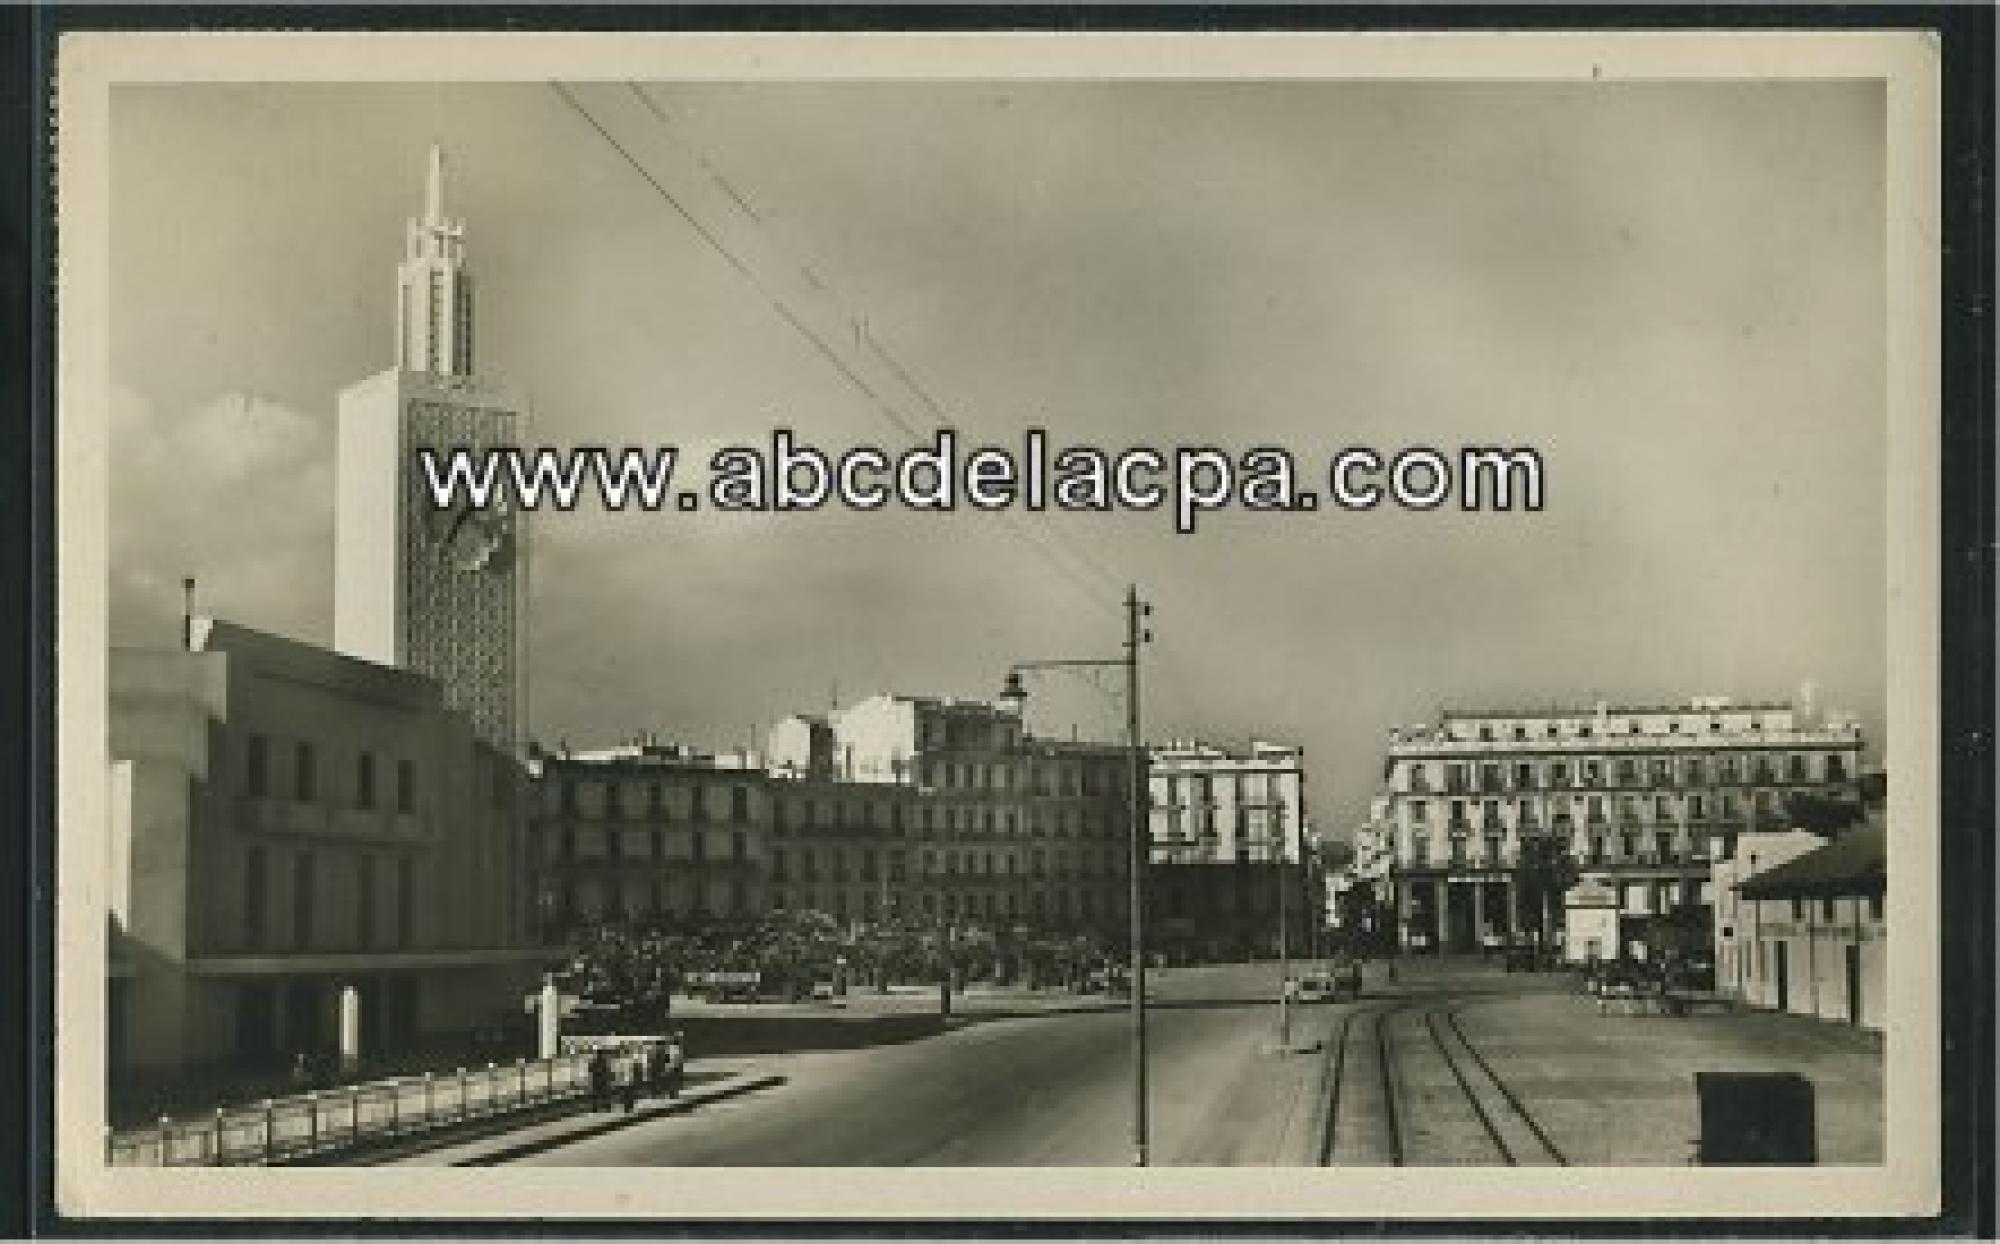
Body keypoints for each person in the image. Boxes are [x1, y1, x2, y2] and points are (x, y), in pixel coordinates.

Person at [588, 1047, 612, 1112]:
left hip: (601, 1080)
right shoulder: (599, 1062)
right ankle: (598, 1107)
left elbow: (606, 1070)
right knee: (599, 1094)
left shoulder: (603, 1062)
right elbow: (590, 1069)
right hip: (599, 1080)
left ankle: (605, 1106)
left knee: (603, 1094)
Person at [664, 1031, 687, 1100]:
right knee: (673, 1080)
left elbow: (678, 1058)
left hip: (674, 1066)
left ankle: (674, 1093)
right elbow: (668, 1058)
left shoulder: (676, 1048)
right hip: (673, 1066)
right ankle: (673, 1093)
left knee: (674, 1080)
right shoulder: (673, 1048)